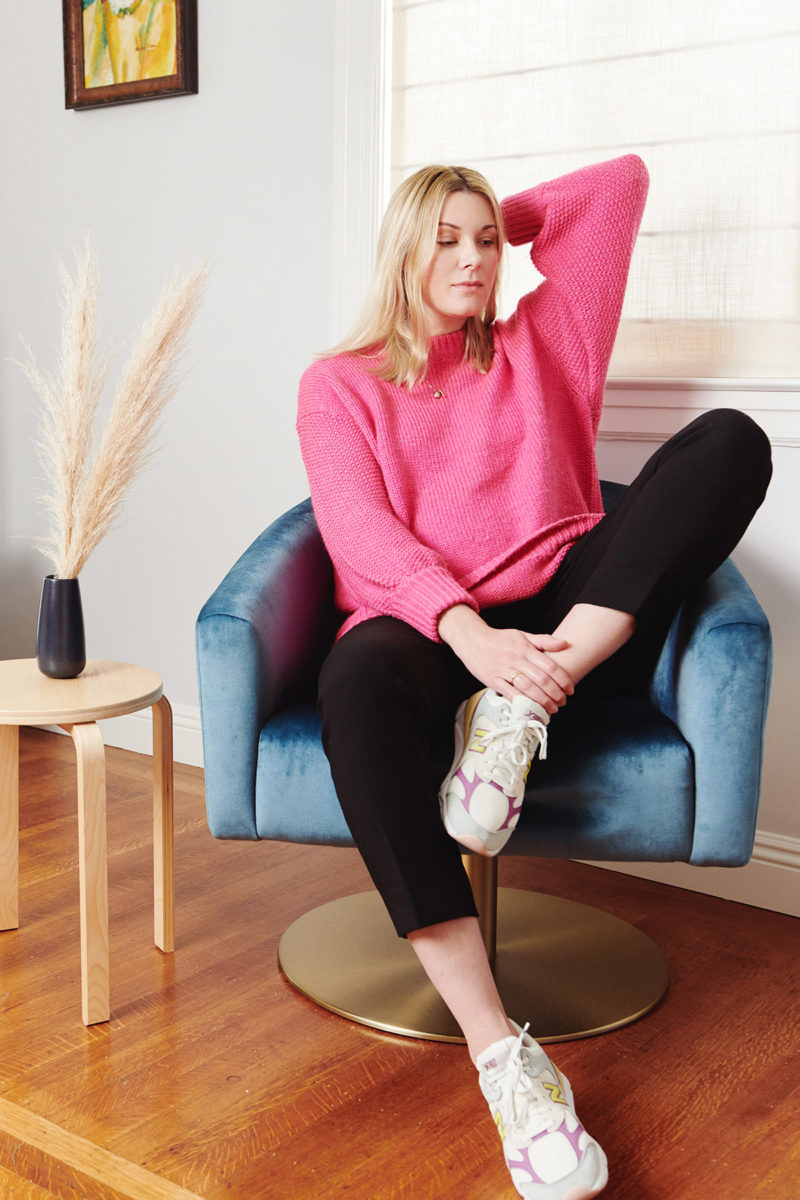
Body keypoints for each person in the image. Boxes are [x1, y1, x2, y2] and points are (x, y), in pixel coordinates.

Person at [296, 155, 771, 1200]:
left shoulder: (544, 339)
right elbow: (359, 533)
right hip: (432, 627)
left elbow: (619, 187)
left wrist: (482, 208)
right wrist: (471, 640)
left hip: (570, 618)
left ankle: (519, 710)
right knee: (354, 687)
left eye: (482, 241)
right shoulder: (340, 383)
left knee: (729, 441)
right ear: (399, 253)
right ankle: (501, 1058)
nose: (471, 258)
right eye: (442, 240)